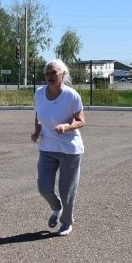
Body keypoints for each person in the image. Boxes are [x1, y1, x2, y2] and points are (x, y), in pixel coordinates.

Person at [31, 59, 86, 236]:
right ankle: (57, 207)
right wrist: (37, 131)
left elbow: (81, 120)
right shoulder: (39, 94)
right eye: (47, 73)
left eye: (53, 72)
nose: (49, 76)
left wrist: (66, 127)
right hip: (47, 147)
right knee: (43, 187)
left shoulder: (71, 96)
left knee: (66, 189)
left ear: (62, 74)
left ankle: (67, 222)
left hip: (69, 149)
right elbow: (39, 115)